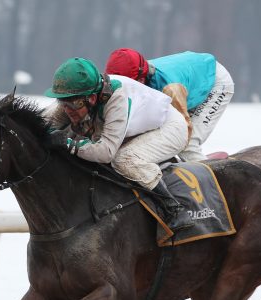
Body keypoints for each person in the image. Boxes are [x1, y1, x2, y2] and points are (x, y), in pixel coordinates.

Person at [43, 57, 193, 231]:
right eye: (63, 102)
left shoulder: (116, 98)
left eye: (73, 103)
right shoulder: (79, 98)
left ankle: (174, 209)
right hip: (134, 127)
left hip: (170, 128)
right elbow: (43, 123)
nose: (67, 109)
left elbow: (105, 152)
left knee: (124, 160)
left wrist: (68, 143)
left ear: (91, 98)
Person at [105, 49, 234, 162]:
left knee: (188, 144)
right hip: (190, 74)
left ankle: (207, 183)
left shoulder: (170, 89)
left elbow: (183, 132)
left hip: (215, 81)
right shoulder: (133, 76)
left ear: (141, 80)